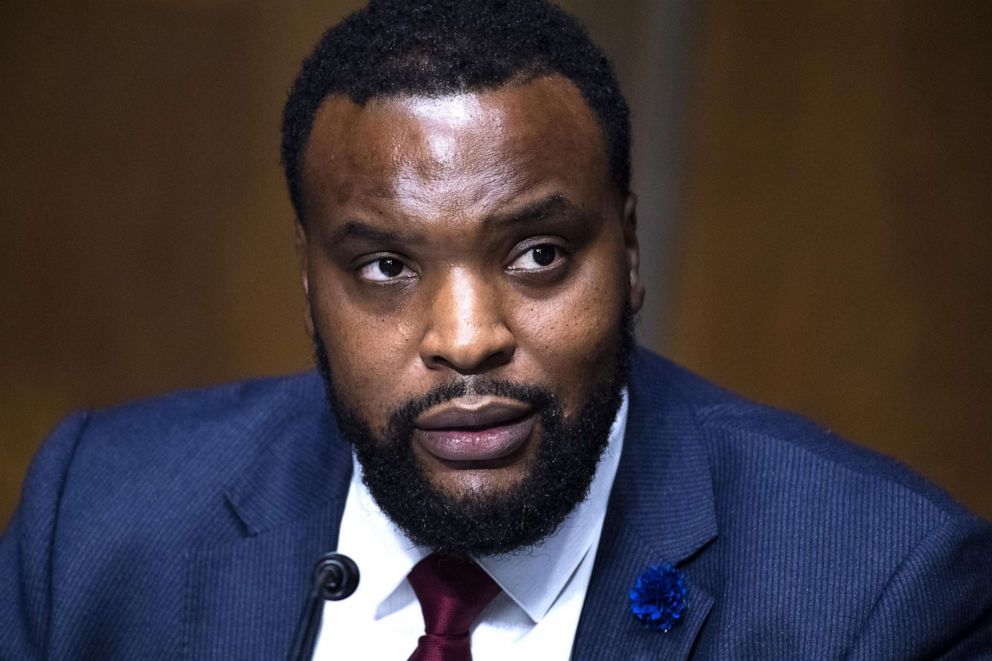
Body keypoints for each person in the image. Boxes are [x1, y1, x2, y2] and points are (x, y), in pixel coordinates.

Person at [2, 1, 991, 659]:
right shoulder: (93, 526)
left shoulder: (876, 596)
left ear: (629, 251)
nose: (467, 337)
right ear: (309, 284)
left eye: (537, 255)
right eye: (386, 267)